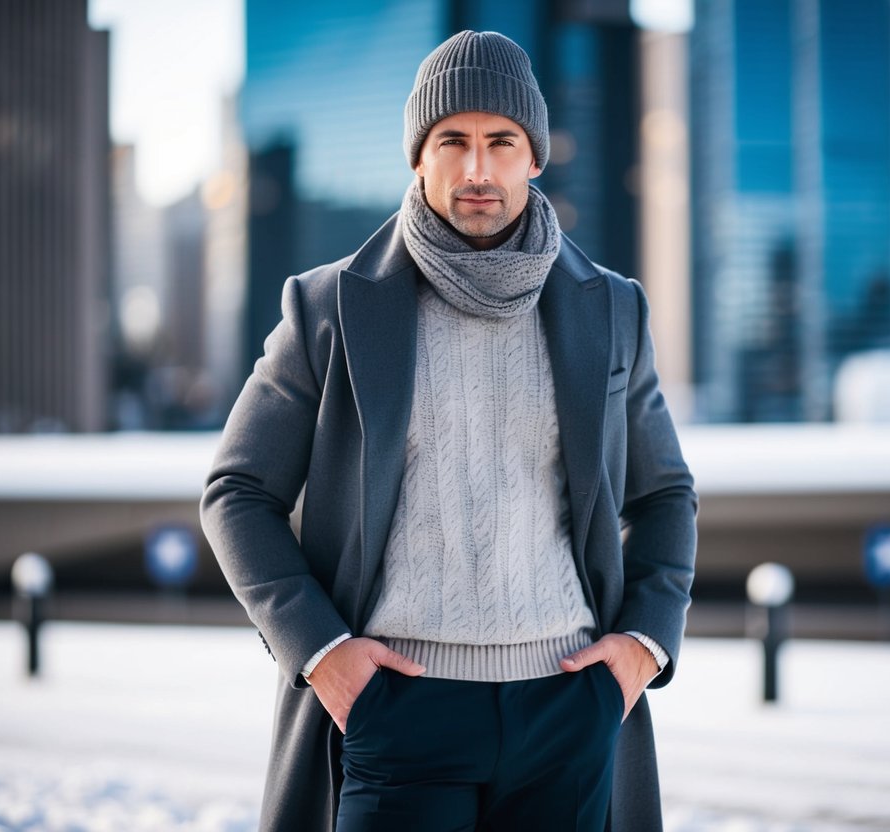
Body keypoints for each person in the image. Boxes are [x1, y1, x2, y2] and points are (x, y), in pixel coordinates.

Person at [200, 29, 697, 832]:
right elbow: (236, 492)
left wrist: (642, 642)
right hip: (395, 711)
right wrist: (322, 654)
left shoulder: (611, 307)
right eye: (451, 142)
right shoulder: (326, 307)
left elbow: (665, 493)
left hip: (566, 706)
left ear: (533, 157)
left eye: (500, 142)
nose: (476, 170)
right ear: (417, 157)